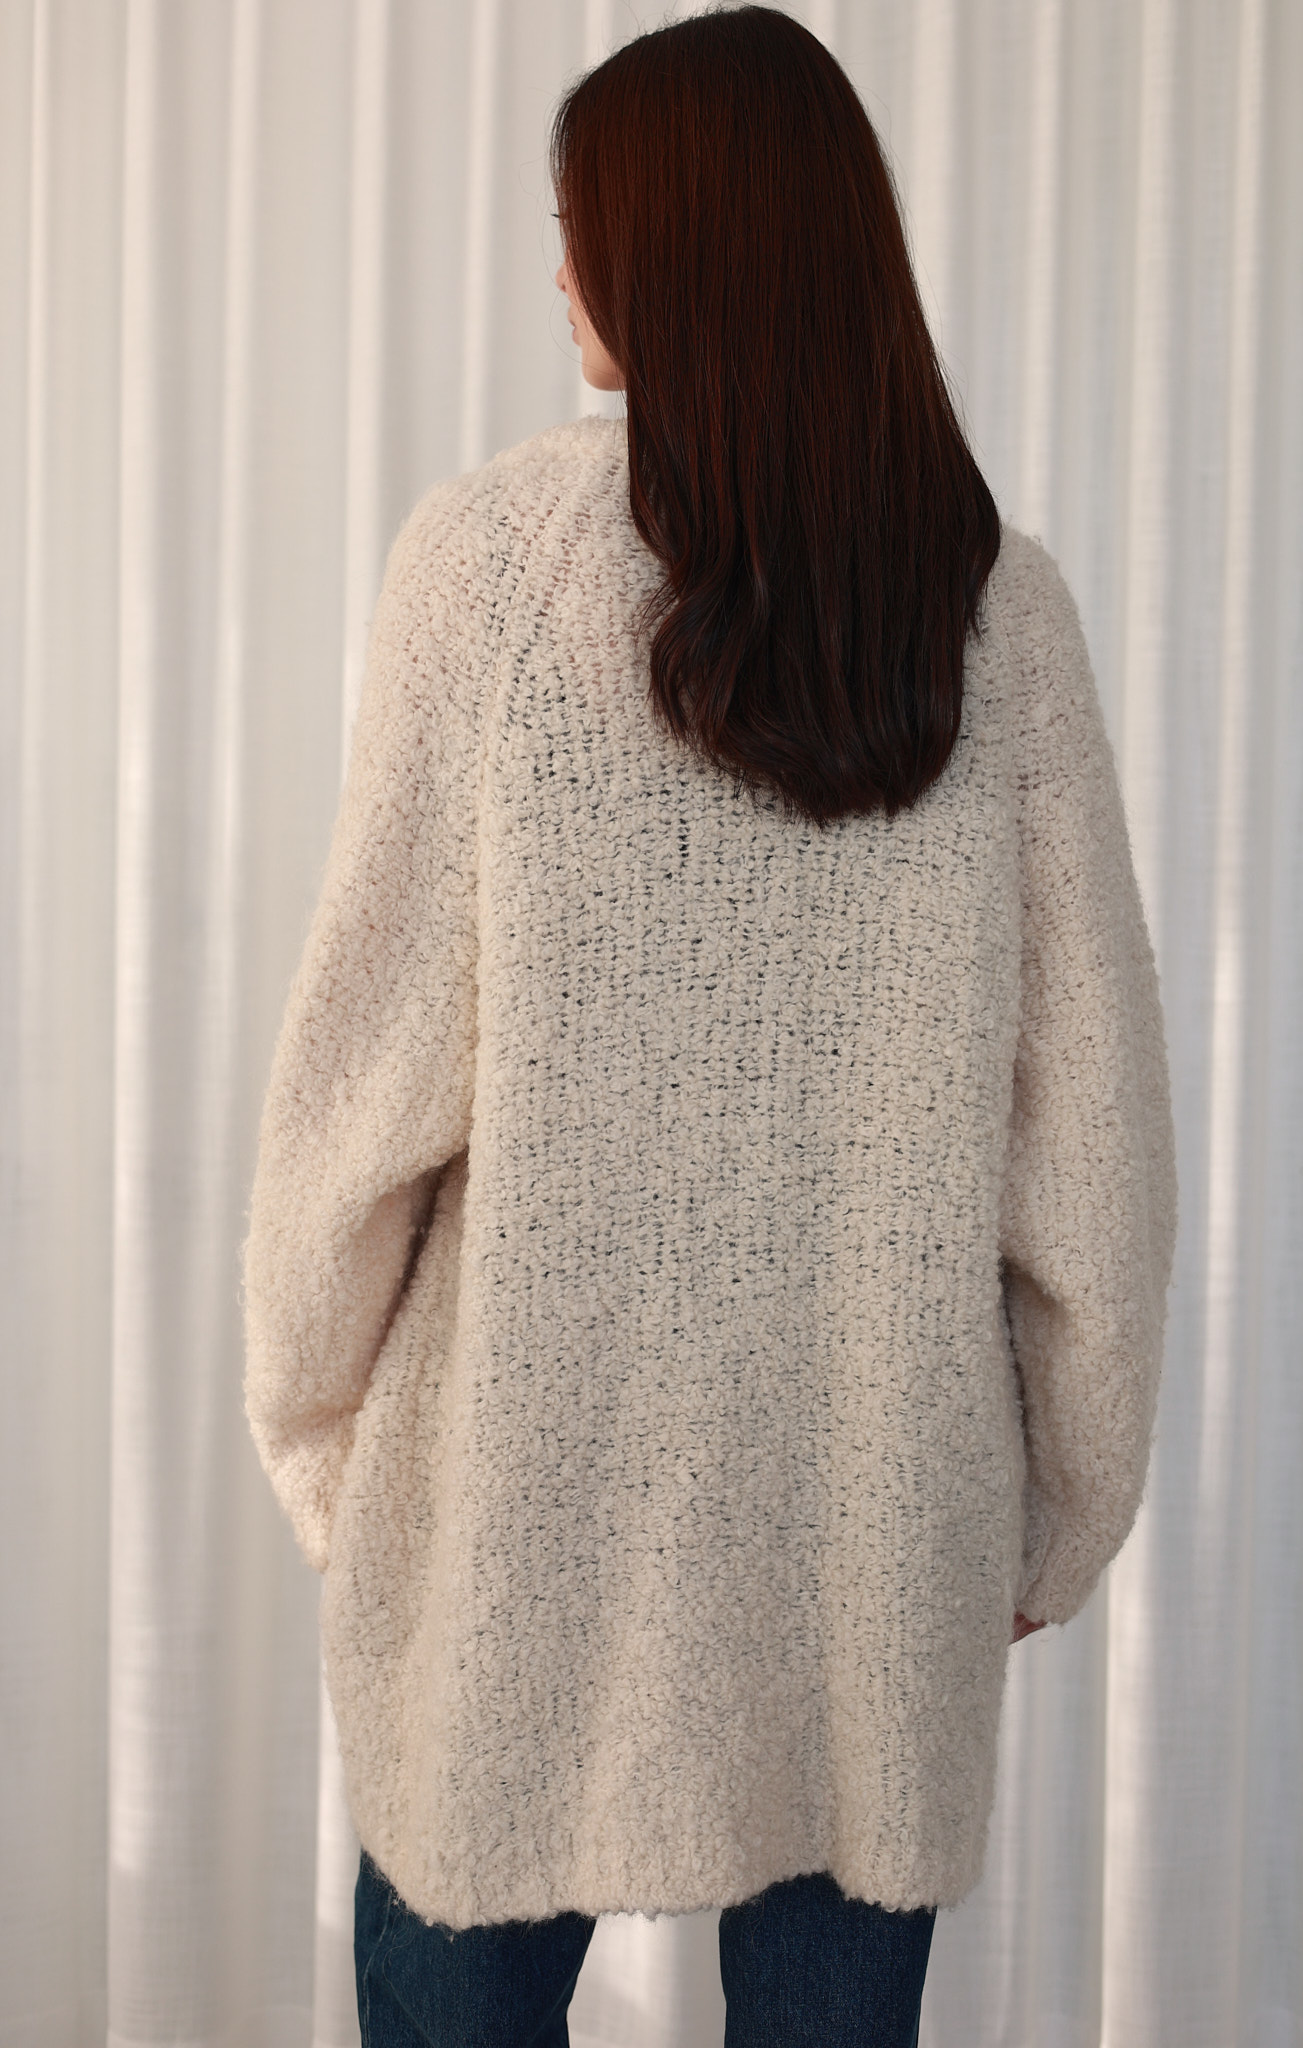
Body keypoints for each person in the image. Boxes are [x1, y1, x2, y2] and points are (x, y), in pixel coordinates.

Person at [240, 7, 1177, 2043]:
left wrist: (320, 1438)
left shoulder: (486, 572)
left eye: (573, 226)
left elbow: (360, 1077)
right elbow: (1093, 1136)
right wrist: (1062, 1497)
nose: (555, 274)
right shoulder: (995, 608)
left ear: (667, 251)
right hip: (878, 1530)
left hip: (516, 1520)